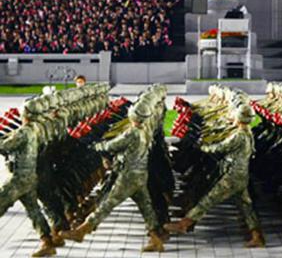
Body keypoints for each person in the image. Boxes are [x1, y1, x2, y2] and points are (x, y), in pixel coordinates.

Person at [61, 103, 165, 252]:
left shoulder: (133, 132)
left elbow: (113, 145)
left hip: (128, 175)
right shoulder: (145, 130)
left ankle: (82, 231)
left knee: (108, 203)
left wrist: (97, 146)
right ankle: (156, 238)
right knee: (146, 207)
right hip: (141, 174)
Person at [164, 104, 265, 248]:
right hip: (241, 175)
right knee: (246, 206)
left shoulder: (239, 135)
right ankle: (257, 237)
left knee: (208, 199)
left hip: (232, 176)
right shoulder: (247, 132)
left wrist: (203, 147)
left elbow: (221, 148)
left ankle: (184, 223)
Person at [0, 100, 56, 257]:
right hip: (30, 176)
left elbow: (5, 146)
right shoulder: (34, 129)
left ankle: (48, 243)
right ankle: (47, 242)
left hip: (19, 179)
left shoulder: (24, 132)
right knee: (34, 211)